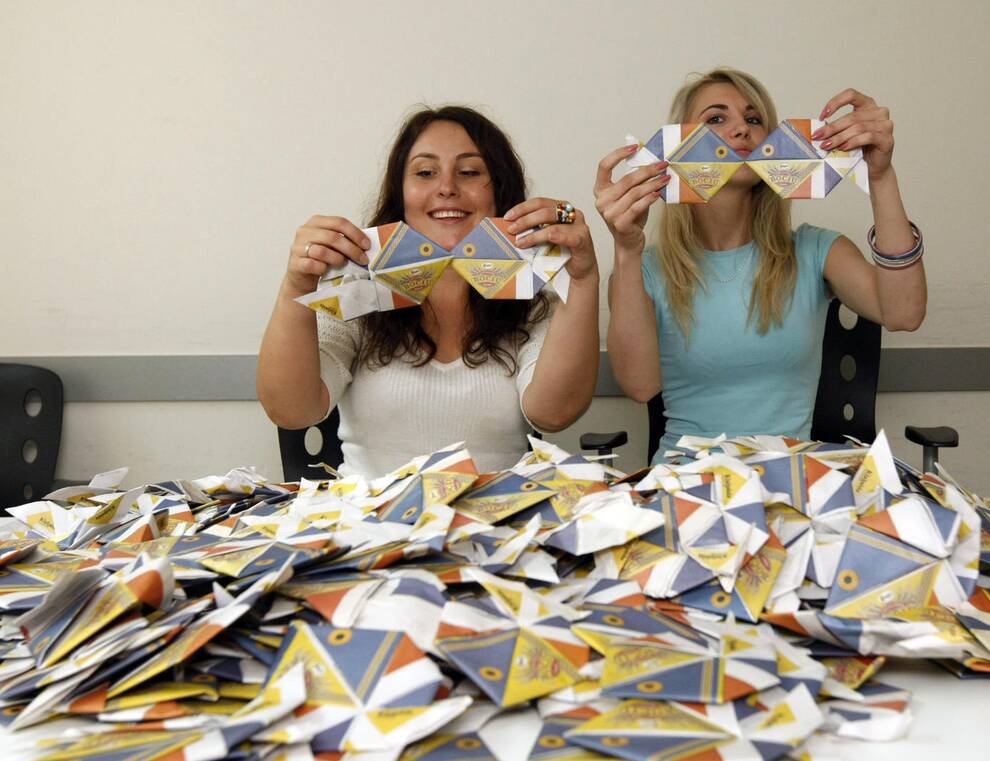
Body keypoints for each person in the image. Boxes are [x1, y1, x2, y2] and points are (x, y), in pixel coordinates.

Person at [595, 68, 927, 462]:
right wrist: (626, 249)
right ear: (678, 147)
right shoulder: (646, 269)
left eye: (753, 119)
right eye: (716, 119)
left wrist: (880, 175)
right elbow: (639, 386)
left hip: (789, 480)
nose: (741, 129)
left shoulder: (814, 250)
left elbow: (904, 313)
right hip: (685, 479)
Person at [257, 105, 600, 476]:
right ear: (401, 194)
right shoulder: (358, 290)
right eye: (425, 172)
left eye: (469, 172)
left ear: (500, 191)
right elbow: (291, 411)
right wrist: (296, 284)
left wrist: (583, 280)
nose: (447, 188)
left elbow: (553, 414)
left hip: (500, 511)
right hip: (371, 512)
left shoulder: (532, 301)